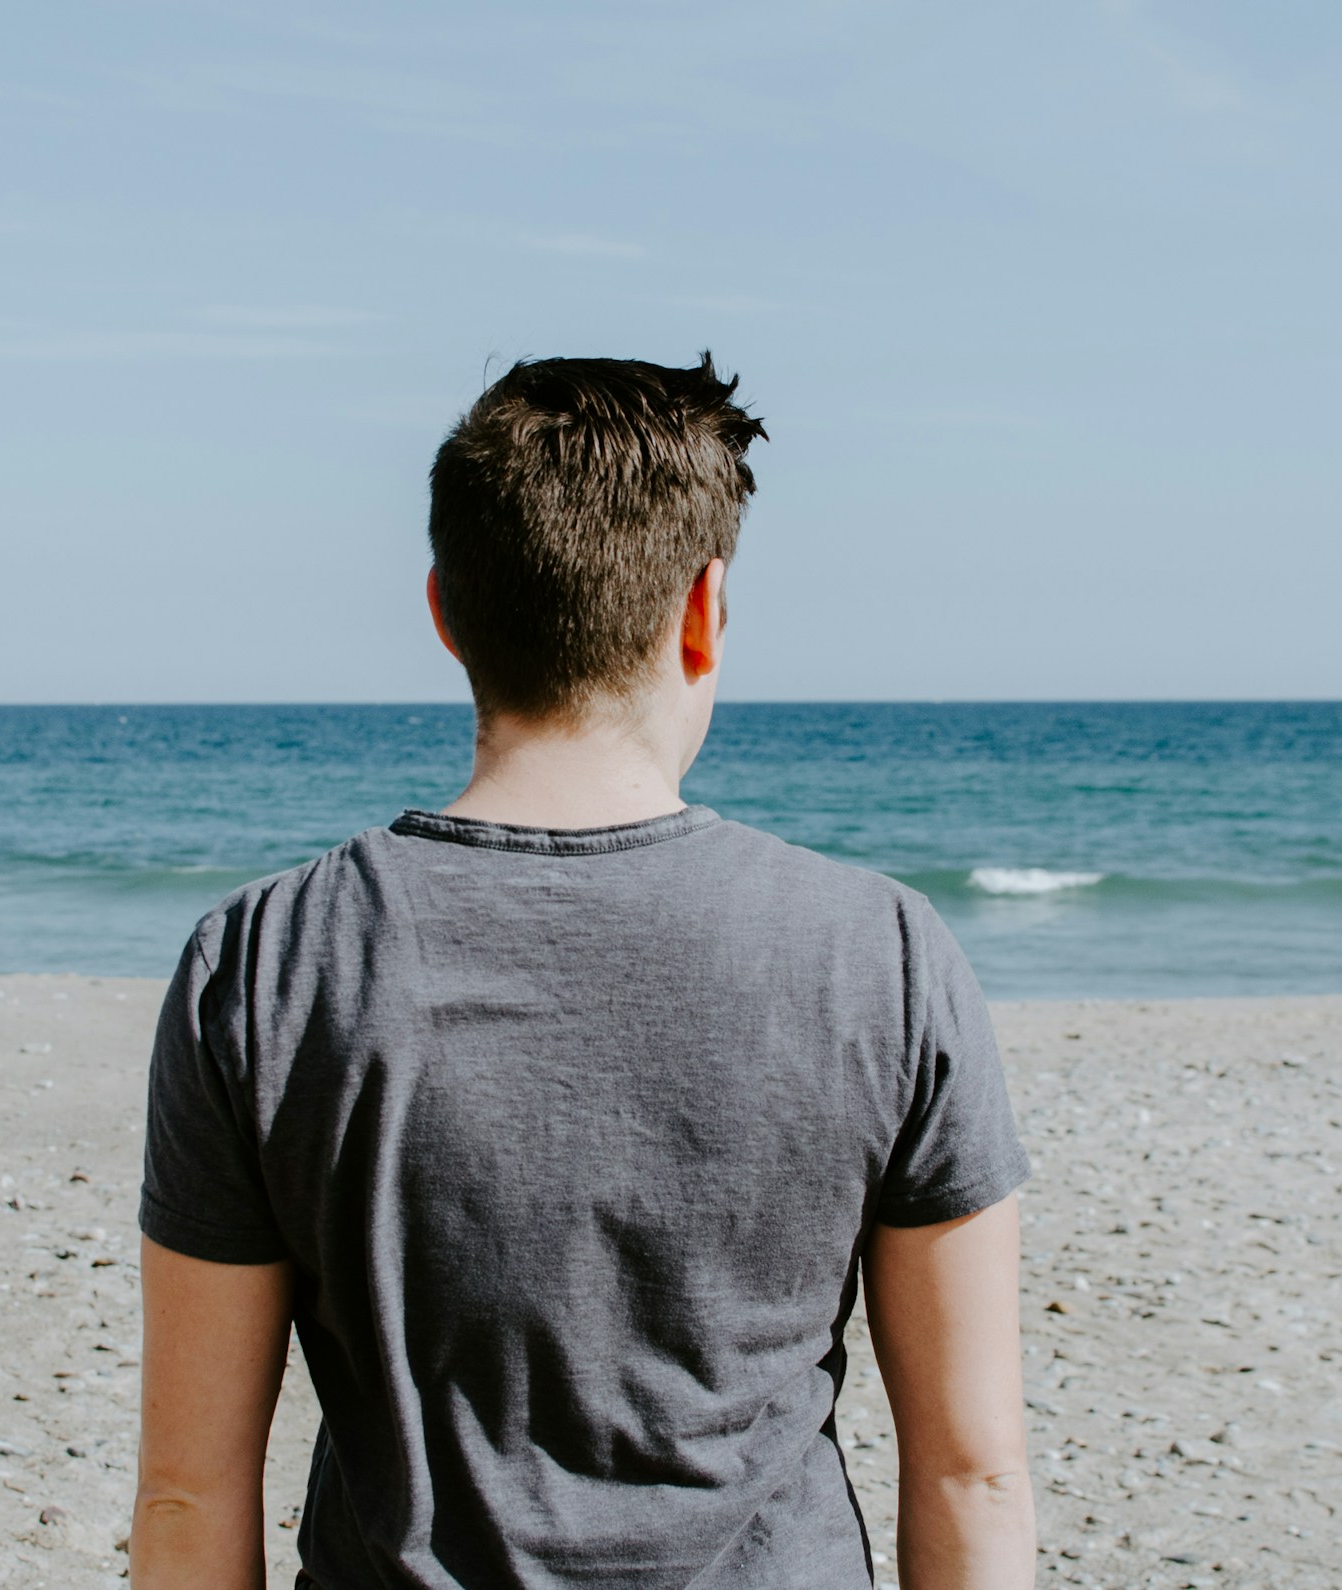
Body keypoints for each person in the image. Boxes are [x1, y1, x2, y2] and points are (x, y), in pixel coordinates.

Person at [131, 354, 1035, 1589]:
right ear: (703, 612)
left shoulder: (267, 959)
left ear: (446, 611)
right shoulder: (880, 953)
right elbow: (969, 1471)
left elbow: (189, 1490)